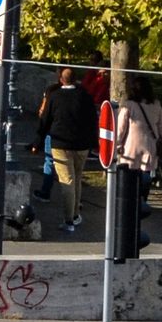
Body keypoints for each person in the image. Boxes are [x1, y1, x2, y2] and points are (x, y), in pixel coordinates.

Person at [36, 66, 95, 235]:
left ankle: (69, 219)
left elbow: (45, 120)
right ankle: (76, 214)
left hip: (61, 144)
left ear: (61, 80)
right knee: (77, 178)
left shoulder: (55, 96)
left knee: (67, 180)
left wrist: (38, 142)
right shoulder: (85, 97)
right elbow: (92, 121)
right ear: (76, 80)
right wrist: (92, 142)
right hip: (82, 145)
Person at [112, 75, 162, 228]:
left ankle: (130, 201)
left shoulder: (128, 105)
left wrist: (117, 144)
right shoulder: (156, 104)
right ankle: (143, 201)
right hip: (150, 146)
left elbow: (121, 128)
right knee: (145, 176)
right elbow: (161, 126)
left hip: (131, 146)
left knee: (129, 176)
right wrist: (161, 141)